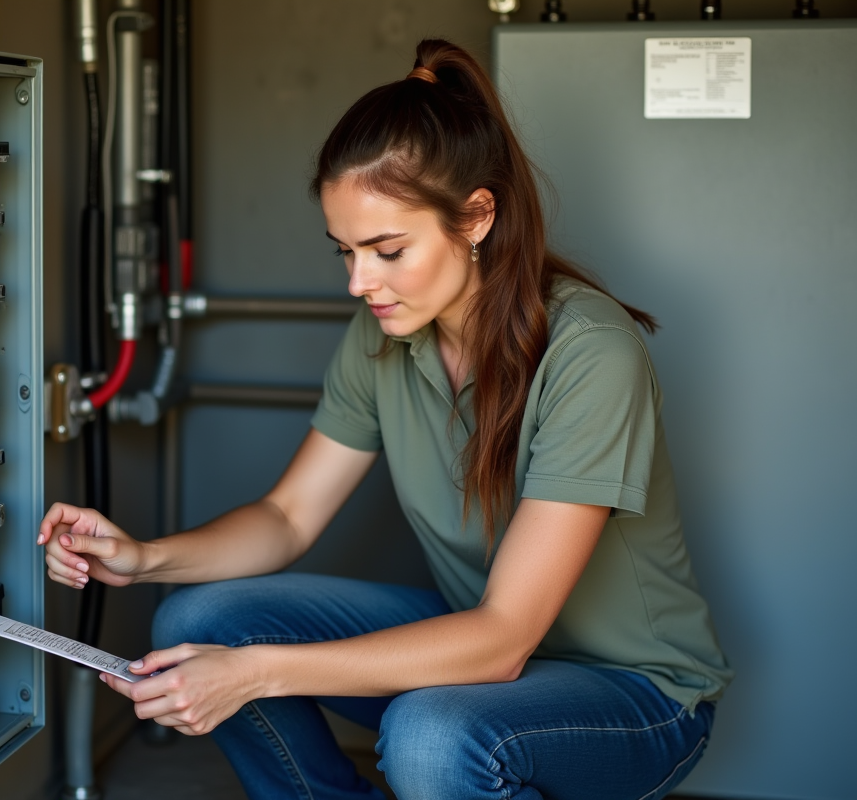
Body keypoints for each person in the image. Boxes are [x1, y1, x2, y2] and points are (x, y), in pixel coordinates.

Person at [38, 38, 733, 800]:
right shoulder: (385, 334)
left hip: (631, 696)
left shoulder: (591, 353)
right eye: (345, 252)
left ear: (475, 218)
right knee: (198, 621)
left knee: (431, 738)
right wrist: (144, 557)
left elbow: (503, 641)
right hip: (479, 640)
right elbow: (286, 517)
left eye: (388, 250)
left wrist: (255, 673)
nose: (359, 282)